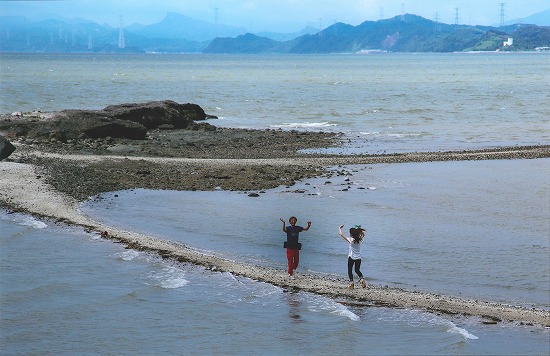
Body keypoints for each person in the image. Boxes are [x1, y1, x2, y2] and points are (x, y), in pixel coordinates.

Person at [338, 224, 366, 289]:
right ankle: (361, 279)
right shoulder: (359, 240)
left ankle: (351, 283)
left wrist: (340, 228)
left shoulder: (350, 240)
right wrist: (359, 230)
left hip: (351, 257)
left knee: (350, 270)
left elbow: (341, 235)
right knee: (357, 270)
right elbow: (363, 234)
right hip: (358, 258)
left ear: (352, 234)